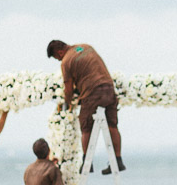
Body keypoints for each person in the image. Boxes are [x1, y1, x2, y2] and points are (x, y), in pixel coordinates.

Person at [46, 40, 124, 174]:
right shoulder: (85, 47)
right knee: (112, 125)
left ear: (59, 52)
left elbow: (68, 89)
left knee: (86, 126)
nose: (59, 61)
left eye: (57, 58)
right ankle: (117, 160)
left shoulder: (66, 61)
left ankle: (87, 162)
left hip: (92, 93)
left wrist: (67, 104)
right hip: (109, 88)